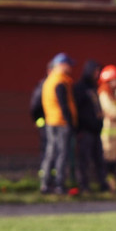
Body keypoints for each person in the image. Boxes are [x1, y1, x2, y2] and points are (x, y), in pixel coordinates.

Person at [39, 53, 78, 195]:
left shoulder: (49, 80)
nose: (70, 68)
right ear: (61, 65)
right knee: (61, 153)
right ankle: (59, 184)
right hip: (61, 122)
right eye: (68, 65)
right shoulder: (60, 81)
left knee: (50, 153)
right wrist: (71, 123)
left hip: (51, 121)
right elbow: (64, 104)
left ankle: (45, 183)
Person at [73, 59, 108, 195]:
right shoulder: (80, 88)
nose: (98, 74)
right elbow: (78, 110)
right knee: (84, 160)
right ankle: (84, 186)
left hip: (96, 130)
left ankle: (102, 184)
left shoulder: (94, 88)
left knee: (99, 159)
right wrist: (81, 126)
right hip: (85, 131)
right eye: (96, 71)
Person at [98, 64, 116, 192]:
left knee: (114, 159)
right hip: (107, 134)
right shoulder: (104, 93)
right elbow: (110, 110)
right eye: (115, 79)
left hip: (115, 134)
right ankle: (108, 184)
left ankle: (113, 184)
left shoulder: (114, 93)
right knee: (108, 158)